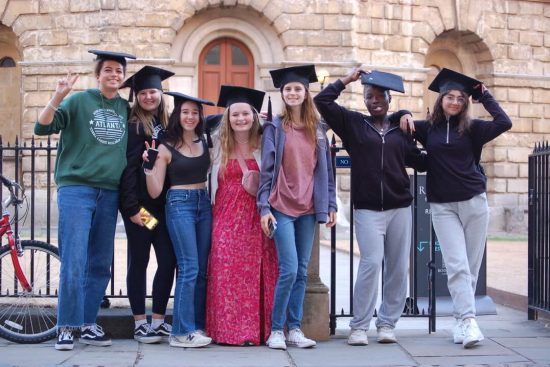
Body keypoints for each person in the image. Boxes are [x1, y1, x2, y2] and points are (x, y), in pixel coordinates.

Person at [313, 68, 427, 346]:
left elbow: (420, 161)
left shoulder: (402, 131)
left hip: (399, 207)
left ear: (389, 100)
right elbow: (322, 102)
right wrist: (347, 80)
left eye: (379, 96)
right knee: (370, 264)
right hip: (366, 209)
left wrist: (407, 115)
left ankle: (387, 323)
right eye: (368, 96)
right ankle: (359, 326)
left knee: (398, 268)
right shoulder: (354, 125)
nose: (374, 100)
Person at [400, 68, 512, 348]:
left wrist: (484, 95)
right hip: (442, 206)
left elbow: (504, 122)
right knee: (457, 266)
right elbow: (394, 122)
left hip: (474, 202)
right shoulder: (428, 129)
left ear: (465, 103)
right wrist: (402, 112)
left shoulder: (474, 129)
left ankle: (461, 321)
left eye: (460, 98)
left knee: (470, 268)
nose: (453, 102)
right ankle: (469, 320)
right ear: (440, 99)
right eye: (449, 97)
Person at [34, 49, 136, 351]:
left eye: (119, 71)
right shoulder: (79, 101)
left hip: (110, 192)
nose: (114, 75)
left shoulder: (124, 109)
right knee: (75, 260)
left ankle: (88, 322)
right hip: (77, 188)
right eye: (109, 70)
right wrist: (57, 96)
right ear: (98, 74)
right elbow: (42, 127)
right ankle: (65, 326)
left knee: (102, 263)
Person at [258, 65, 337, 350]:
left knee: (302, 271)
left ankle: (295, 328)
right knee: (289, 268)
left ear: (306, 94)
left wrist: (329, 203)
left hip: (308, 207)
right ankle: (276, 329)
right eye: (288, 89)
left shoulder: (317, 129)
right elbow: (267, 169)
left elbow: (326, 169)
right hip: (281, 205)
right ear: (283, 94)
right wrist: (263, 206)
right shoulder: (275, 127)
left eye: (298, 89)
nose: (293, 93)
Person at [206, 86, 278, 346]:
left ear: (254, 115)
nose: (240, 119)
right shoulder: (216, 144)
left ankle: (256, 331)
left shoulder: (266, 143)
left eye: (245, 114)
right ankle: (228, 332)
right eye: (234, 114)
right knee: (226, 273)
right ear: (227, 118)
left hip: (256, 216)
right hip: (224, 217)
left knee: (254, 274)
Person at [143, 91, 215, 348]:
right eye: (185, 112)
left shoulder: (206, 139)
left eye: (195, 112)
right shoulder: (165, 146)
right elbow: (154, 191)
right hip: (179, 204)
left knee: (202, 271)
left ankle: (196, 326)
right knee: (189, 267)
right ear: (177, 115)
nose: (190, 116)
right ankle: (181, 332)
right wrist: (149, 167)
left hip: (203, 204)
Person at [119, 66, 176, 344]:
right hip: (142, 208)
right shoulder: (133, 127)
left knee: (167, 260)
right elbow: (128, 169)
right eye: (143, 93)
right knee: (139, 261)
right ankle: (139, 321)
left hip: (164, 209)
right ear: (136, 96)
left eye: (153, 91)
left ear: (161, 93)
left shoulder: (167, 125)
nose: (149, 96)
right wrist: (130, 209)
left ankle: (158, 320)